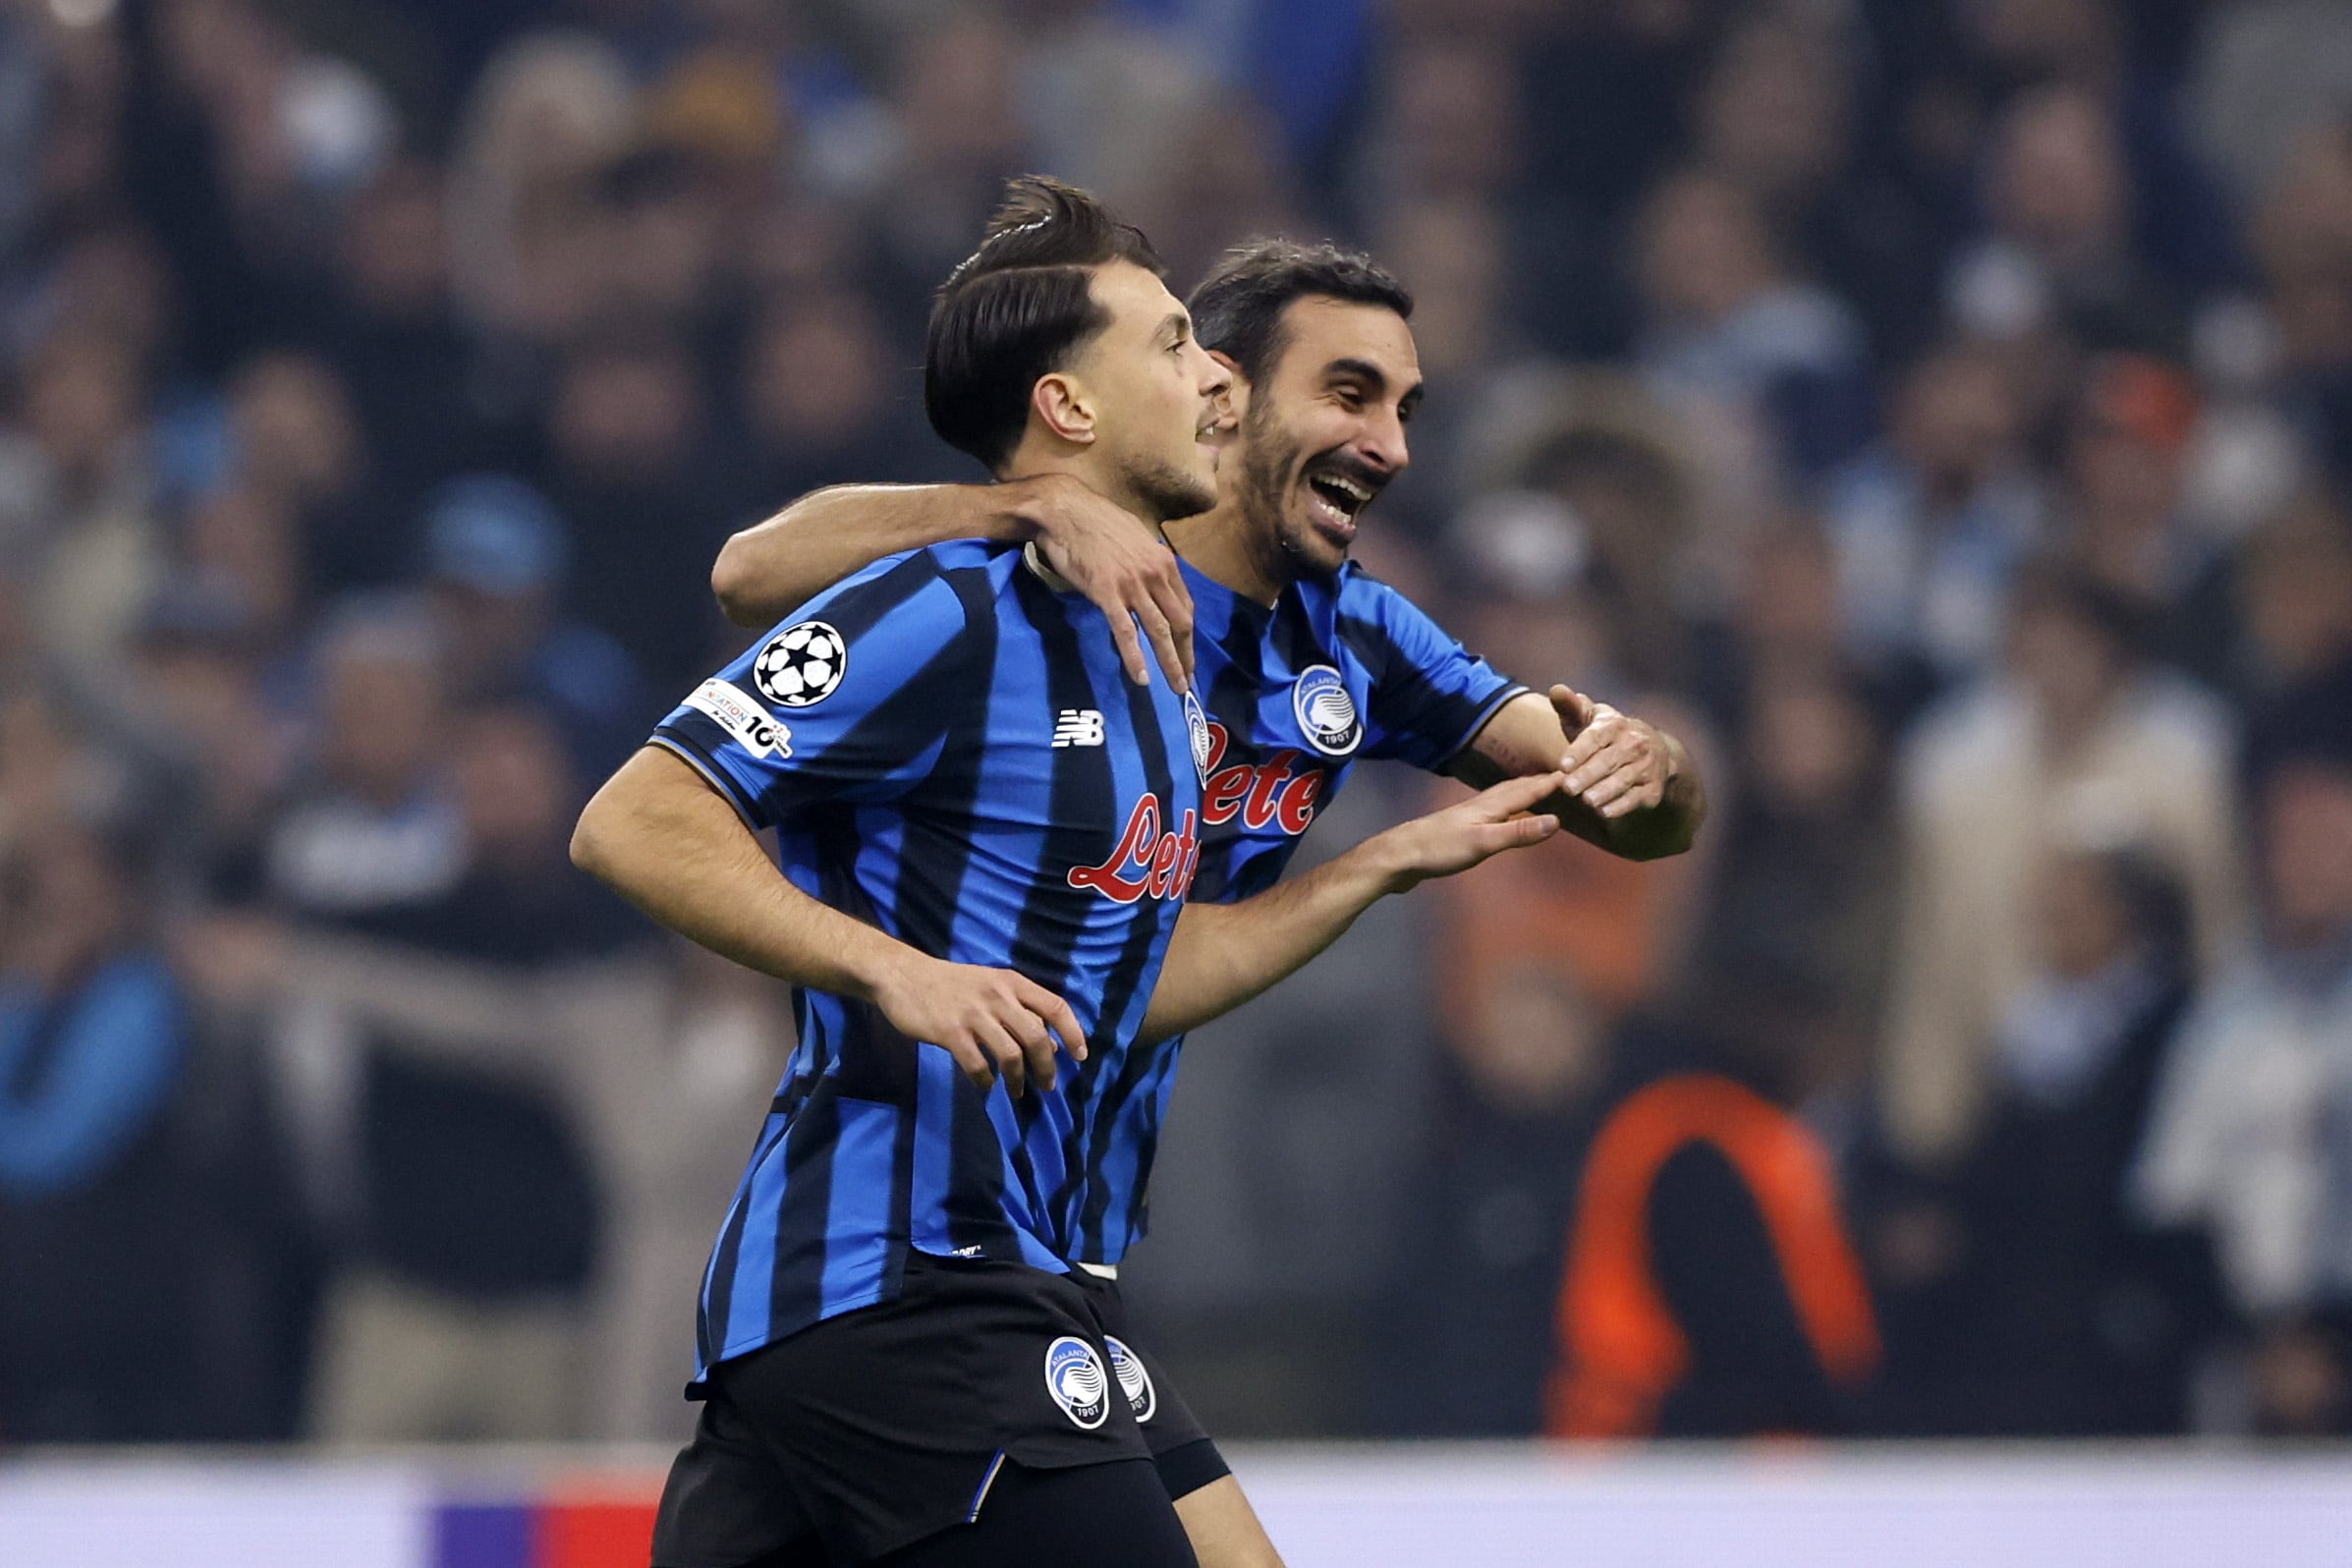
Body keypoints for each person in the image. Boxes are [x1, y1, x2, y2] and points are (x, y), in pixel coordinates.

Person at [573, 179, 1569, 1568]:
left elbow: (1129, 979)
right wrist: (889, 967)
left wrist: (1378, 868)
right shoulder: (955, 605)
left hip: (1006, 1276)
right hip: (905, 1277)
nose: (1207, 380)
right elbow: (632, 816)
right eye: (1172, 348)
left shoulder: (1158, 661)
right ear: (1070, 409)